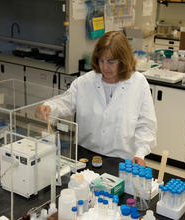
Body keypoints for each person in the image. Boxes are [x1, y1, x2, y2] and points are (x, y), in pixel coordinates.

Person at [36, 31, 157, 166]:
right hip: (85, 155)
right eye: (101, 61)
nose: (105, 67)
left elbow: (146, 124)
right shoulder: (85, 82)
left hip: (121, 159)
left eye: (111, 62)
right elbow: (65, 102)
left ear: (123, 60)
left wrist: (140, 154)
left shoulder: (138, 83)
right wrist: (49, 107)